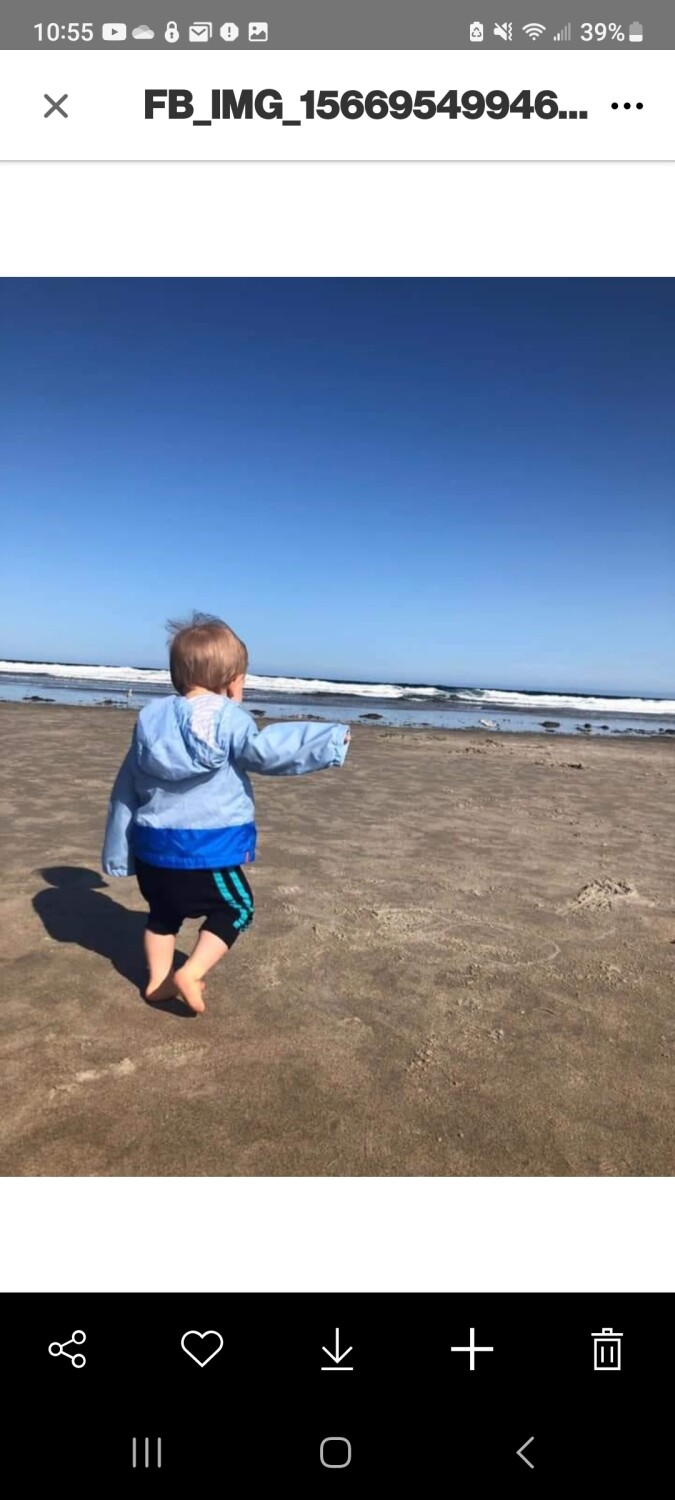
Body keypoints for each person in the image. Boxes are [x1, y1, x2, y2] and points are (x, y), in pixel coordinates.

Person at [102, 612, 350, 1013]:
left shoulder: (151, 723)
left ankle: (158, 982)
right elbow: (264, 751)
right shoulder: (228, 718)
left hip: (152, 850)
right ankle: (191, 971)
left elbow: (124, 788)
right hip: (206, 849)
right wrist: (328, 741)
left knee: (162, 916)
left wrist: (119, 850)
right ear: (233, 681)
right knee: (237, 907)